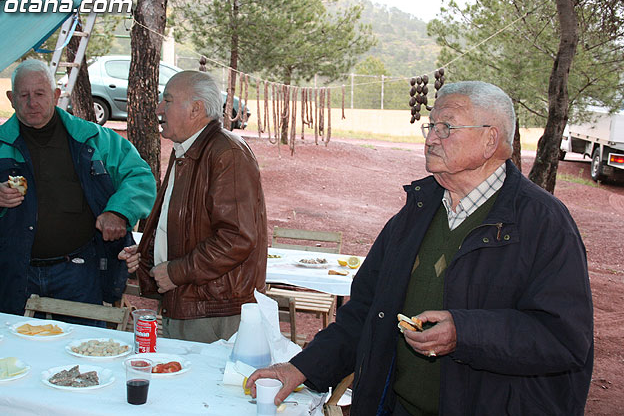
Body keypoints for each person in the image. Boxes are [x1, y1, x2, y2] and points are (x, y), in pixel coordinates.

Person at [247, 81, 593, 415]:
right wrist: (300, 368)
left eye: (447, 127)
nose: (431, 137)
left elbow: (564, 339)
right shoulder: (417, 210)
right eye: (431, 126)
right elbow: (367, 313)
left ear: (491, 140)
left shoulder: (543, 223)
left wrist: (465, 333)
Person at [0, 59, 156, 324]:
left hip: (78, 271)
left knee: (83, 347)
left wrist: (118, 211)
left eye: (40, 94)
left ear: (55, 95)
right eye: (24, 95)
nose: (32, 102)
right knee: (14, 349)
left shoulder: (91, 138)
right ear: (11, 98)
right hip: (12, 270)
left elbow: (140, 176)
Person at [125, 70, 267, 343]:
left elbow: (237, 238)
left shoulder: (226, 153)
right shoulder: (188, 151)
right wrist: (146, 255)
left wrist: (176, 272)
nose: (158, 109)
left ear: (196, 109)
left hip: (213, 314)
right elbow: (185, 225)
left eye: (167, 100)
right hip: (191, 303)